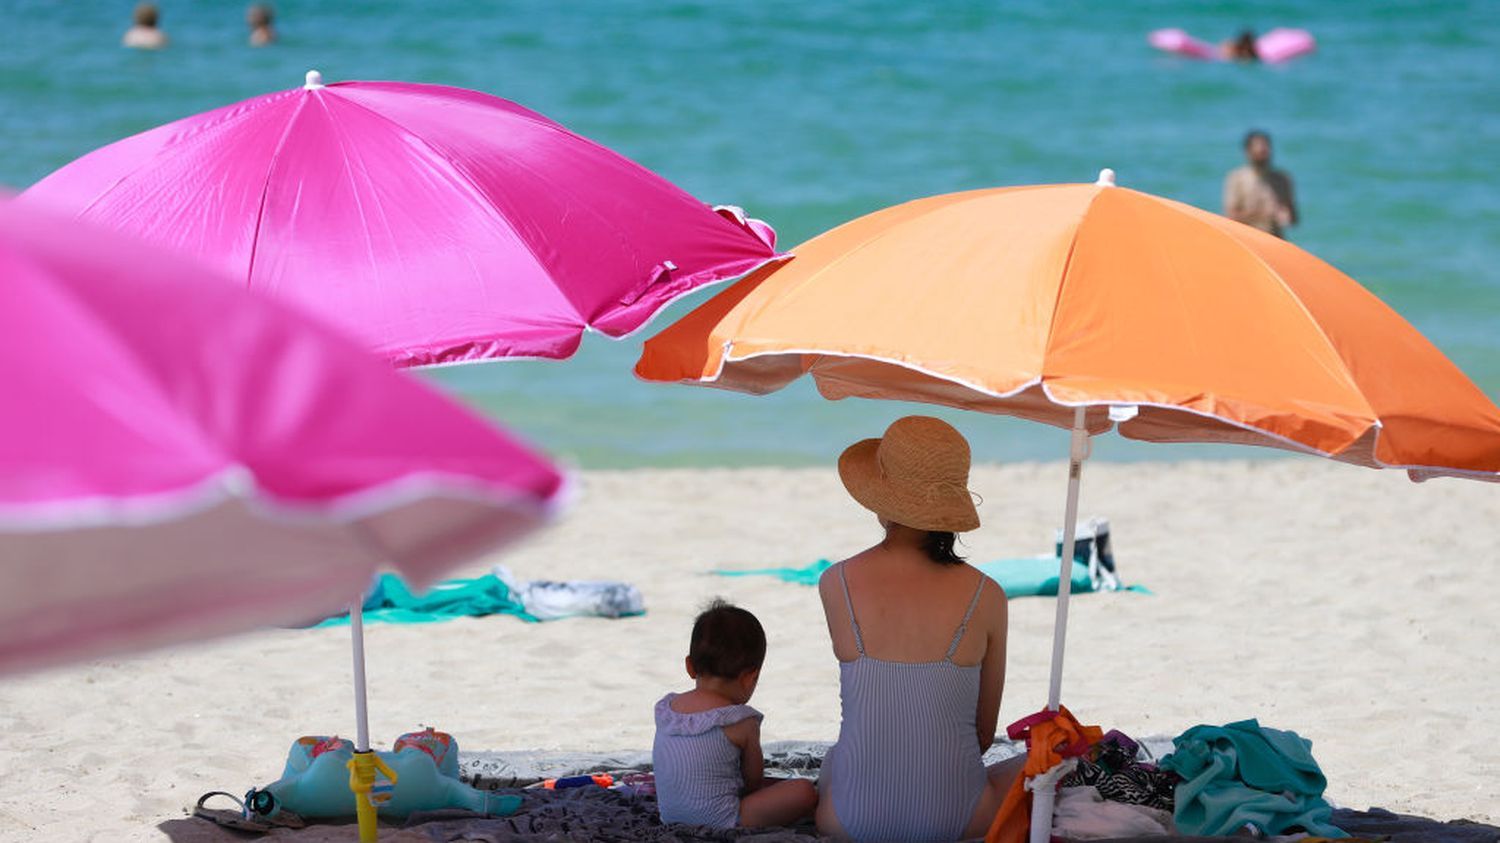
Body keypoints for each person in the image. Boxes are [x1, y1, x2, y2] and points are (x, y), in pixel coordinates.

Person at [816, 416, 1021, 842]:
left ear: (881, 498)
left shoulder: (835, 583)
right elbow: (982, 735)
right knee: (1039, 763)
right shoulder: (988, 595)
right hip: (961, 819)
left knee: (837, 759)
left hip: (849, 823)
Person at [652, 601, 818, 830]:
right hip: (724, 821)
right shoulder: (741, 721)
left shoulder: (666, 709)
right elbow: (753, 782)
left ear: (690, 666)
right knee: (804, 791)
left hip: (670, 817)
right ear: (750, 677)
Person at [1223, 130, 1298, 238]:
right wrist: (1264, 215)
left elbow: (1293, 219)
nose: (1264, 153)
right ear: (1248, 151)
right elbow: (1230, 217)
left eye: (1266, 149)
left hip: (1275, 240)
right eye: (1259, 151)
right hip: (1248, 239)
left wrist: (1286, 216)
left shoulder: (1282, 179)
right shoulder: (1237, 178)